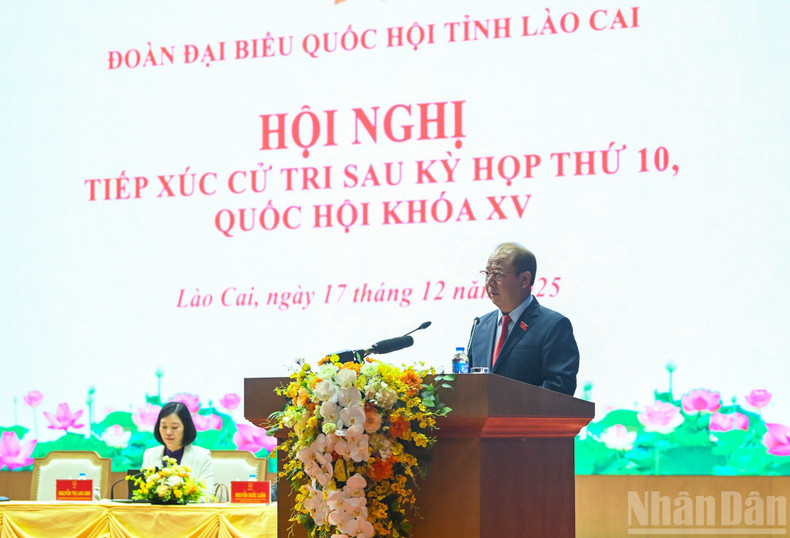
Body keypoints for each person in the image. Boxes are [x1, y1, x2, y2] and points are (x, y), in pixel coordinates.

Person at [468, 242, 579, 396]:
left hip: (527, 420)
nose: (490, 282)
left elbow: (560, 388)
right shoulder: (481, 326)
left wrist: (506, 402)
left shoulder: (554, 326)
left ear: (525, 279)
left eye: (498, 274)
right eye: (487, 273)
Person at [141, 402, 215, 496]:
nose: (168, 432)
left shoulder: (202, 456)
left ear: (186, 428)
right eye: (164, 426)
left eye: (174, 427)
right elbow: (143, 493)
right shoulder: (150, 454)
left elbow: (208, 496)